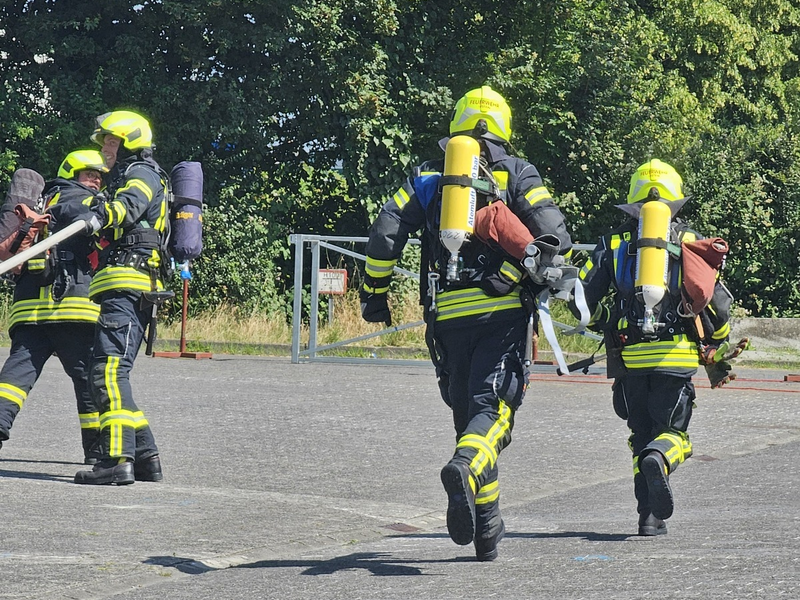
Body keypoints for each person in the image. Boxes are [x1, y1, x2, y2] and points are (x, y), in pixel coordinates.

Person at [360, 86, 572, 560]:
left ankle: (487, 527)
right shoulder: (518, 172)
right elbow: (555, 236)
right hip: (501, 313)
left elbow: (385, 233)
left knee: (470, 421)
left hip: (447, 318)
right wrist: (515, 273)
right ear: (504, 129)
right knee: (493, 412)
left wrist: (374, 294)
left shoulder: (429, 177)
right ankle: (465, 469)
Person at [576, 159, 735, 536]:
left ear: (633, 203)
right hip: (675, 357)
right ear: (675, 202)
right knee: (674, 436)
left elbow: (581, 298)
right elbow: (717, 302)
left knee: (640, 434)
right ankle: (660, 460)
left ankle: (649, 517)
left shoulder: (613, 243)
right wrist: (719, 343)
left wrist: (605, 320)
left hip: (630, 359)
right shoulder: (689, 241)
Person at [73, 110, 168, 485]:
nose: (106, 149)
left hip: (128, 284)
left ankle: (115, 460)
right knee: (110, 372)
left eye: (112, 142)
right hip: (126, 285)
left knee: (108, 372)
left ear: (130, 143)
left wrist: (100, 215)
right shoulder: (131, 175)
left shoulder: (140, 173)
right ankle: (145, 456)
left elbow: (130, 206)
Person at [0, 150, 107, 462]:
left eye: (99, 176)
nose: (96, 181)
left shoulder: (41, 203)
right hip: (71, 309)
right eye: (90, 174)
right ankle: (97, 452)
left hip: (30, 311)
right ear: (72, 173)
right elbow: (78, 211)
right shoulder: (75, 197)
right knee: (88, 380)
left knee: (14, 378)